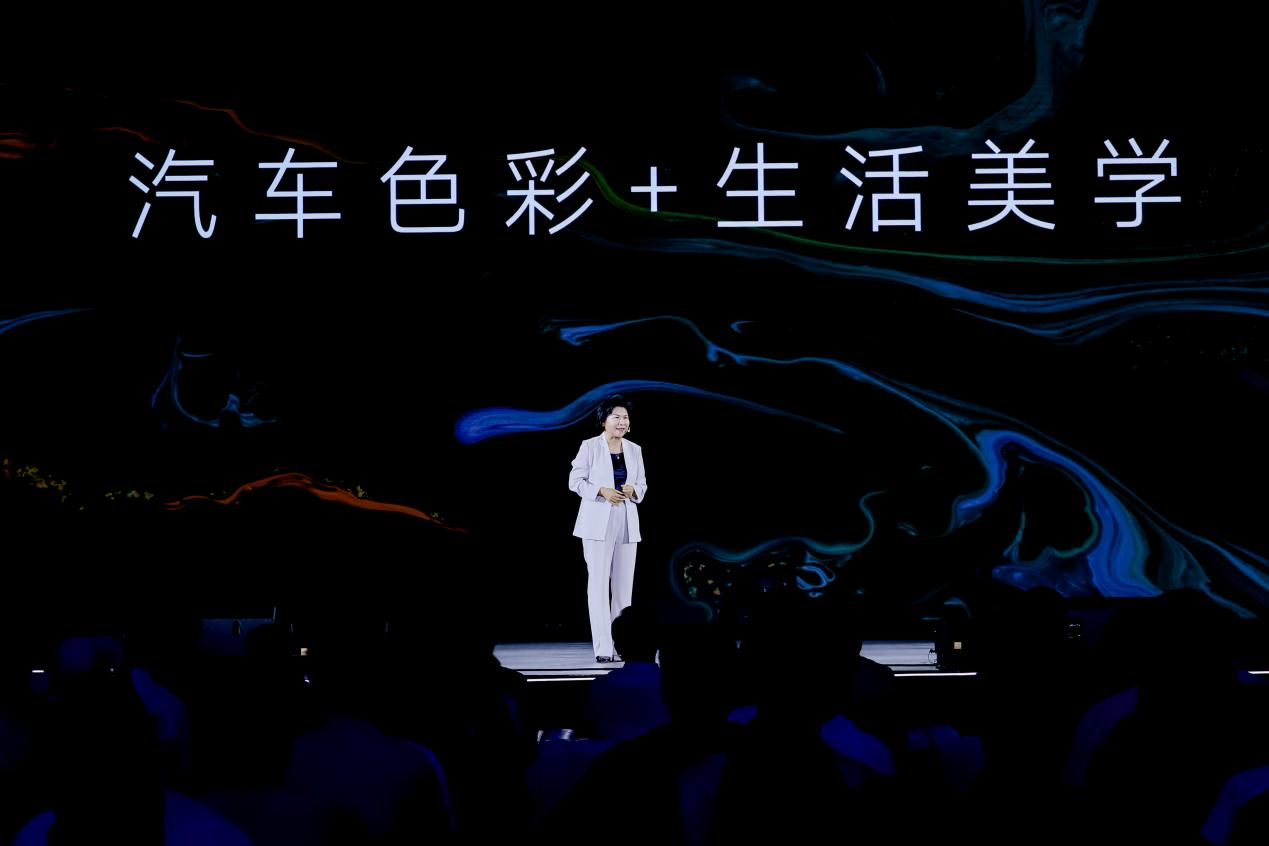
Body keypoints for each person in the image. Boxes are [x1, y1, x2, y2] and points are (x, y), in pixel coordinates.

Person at [568, 396, 647, 662]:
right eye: (616, 417)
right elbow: (575, 481)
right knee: (599, 585)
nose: (622, 422)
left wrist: (634, 490)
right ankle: (603, 647)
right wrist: (601, 491)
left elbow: (643, 484)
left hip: (626, 519)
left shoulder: (634, 449)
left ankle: (623, 645)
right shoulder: (589, 446)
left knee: (624, 589)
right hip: (597, 521)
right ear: (604, 420)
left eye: (625, 418)